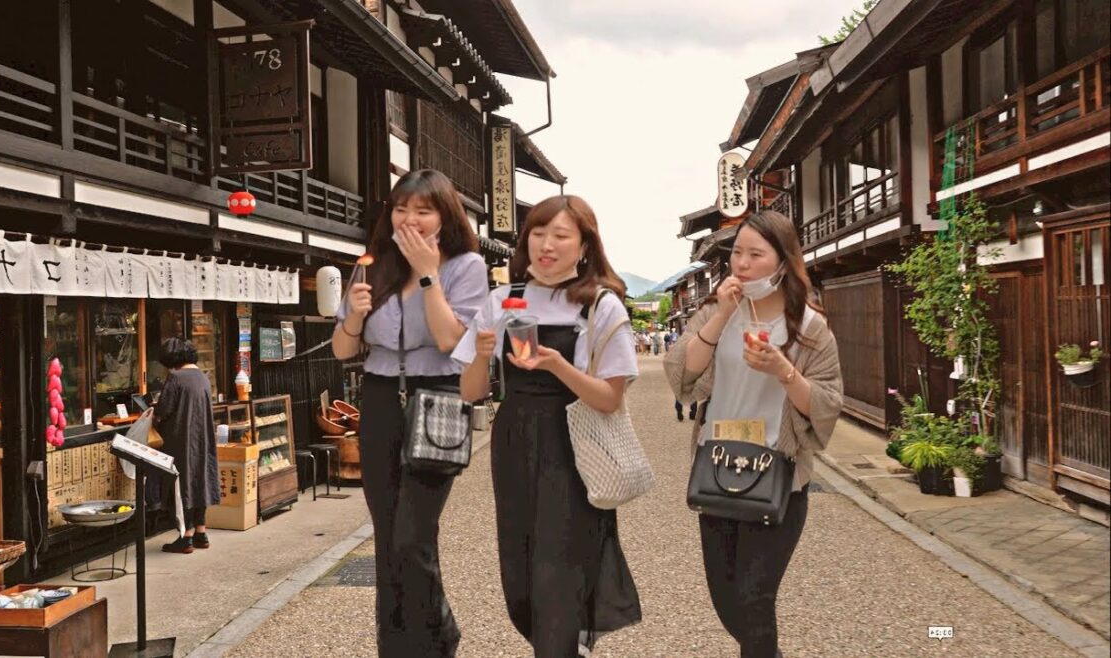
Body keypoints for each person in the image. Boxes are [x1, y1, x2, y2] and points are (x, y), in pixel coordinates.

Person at [456, 195, 641, 657]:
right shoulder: (503, 299)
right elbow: (470, 392)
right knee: (518, 574)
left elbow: (609, 397)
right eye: (538, 233)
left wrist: (557, 365)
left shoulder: (600, 306)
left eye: (561, 236)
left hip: (572, 445)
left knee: (556, 573)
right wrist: (482, 355)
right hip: (514, 438)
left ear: (584, 246)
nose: (546, 245)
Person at [663, 210, 843, 658]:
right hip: (718, 467)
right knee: (728, 604)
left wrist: (785, 371)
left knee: (755, 599)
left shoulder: (810, 327)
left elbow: (826, 404)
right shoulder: (713, 312)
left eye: (755, 254)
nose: (741, 264)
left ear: (783, 261)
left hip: (779, 476)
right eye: (737, 253)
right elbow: (682, 377)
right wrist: (722, 315)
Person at [332, 169, 487, 657]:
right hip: (379, 398)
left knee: (413, 535)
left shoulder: (465, 266)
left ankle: (436, 640)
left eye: (424, 210)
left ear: (444, 217)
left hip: (438, 394)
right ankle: (395, 648)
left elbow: (449, 340)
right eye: (403, 209)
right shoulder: (373, 265)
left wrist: (427, 274)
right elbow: (342, 350)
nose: (411, 219)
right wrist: (355, 316)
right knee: (386, 537)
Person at [155, 337, 219, 554]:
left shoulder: (176, 377)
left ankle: (186, 536)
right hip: (203, 439)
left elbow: (163, 410)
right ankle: (201, 532)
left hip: (180, 440)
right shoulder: (202, 376)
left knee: (181, 486)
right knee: (200, 481)